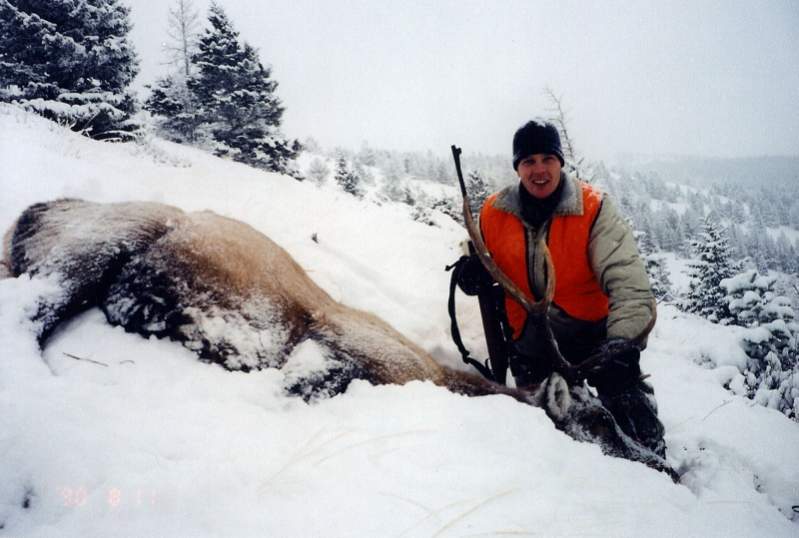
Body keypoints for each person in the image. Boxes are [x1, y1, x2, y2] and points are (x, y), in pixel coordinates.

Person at [457, 119, 666, 457]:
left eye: (547, 159)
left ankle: (654, 466)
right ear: (517, 168)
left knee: (631, 412)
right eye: (528, 161)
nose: (539, 170)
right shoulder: (493, 213)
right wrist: (471, 273)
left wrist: (622, 343)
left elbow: (629, 282)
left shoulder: (594, 208)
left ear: (561, 162)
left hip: (594, 339)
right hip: (531, 343)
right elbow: (477, 257)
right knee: (544, 437)